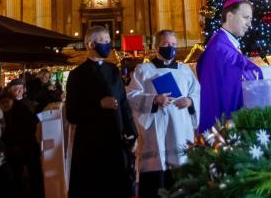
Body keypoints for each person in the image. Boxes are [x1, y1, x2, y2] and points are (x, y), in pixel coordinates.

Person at [127, 30, 200, 198]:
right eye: (167, 44)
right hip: (156, 130)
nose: (171, 48)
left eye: (174, 45)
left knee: (180, 175)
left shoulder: (184, 70)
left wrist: (190, 101)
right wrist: (154, 99)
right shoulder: (144, 70)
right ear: (157, 46)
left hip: (180, 128)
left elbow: (196, 92)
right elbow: (131, 96)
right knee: (157, 178)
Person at [66, 26, 137, 198]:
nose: (108, 45)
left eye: (109, 41)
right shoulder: (77, 75)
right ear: (90, 44)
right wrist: (98, 104)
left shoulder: (113, 70)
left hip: (116, 138)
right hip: (91, 144)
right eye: (103, 41)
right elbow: (72, 114)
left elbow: (123, 103)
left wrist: (132, 133)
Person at [197, 0, 262, 132]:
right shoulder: (221, 47)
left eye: (250, 19)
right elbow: (241, 71)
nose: (249, 24)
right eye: (245, 17)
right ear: (230, 16)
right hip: (223, 119)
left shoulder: (225, 43)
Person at [2, 78, 44, 198]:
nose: (19, 91)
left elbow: (35, 121)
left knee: (35, 174)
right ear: (10, 90)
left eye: (21, 88)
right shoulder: (7, 104)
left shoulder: (29, 102)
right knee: (16, 176)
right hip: (15, 146)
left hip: (30, 144)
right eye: (16, 89)